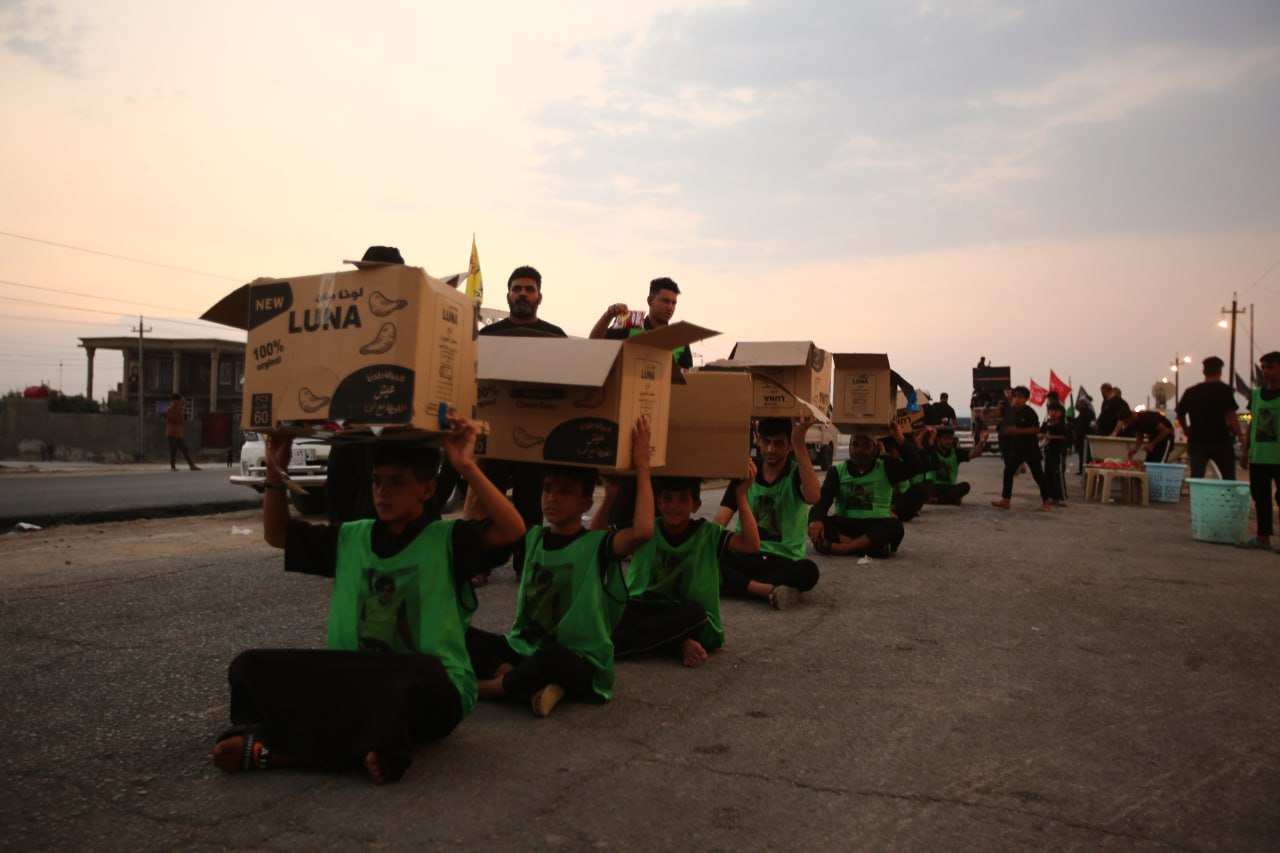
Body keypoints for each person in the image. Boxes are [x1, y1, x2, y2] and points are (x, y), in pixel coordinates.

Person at [211, 415, 525, 783]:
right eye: (377, 481)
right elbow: (277, 534)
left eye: (397, 482)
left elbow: (512, 529)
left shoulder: (448, 541)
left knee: (424, 673)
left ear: (427, 489)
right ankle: (369, 747)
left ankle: (284, 749)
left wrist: (466, 466)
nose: (382, 493)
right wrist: (274, 468)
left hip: (425, 692)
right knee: (249, 667)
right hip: (357, 682)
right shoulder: (351, 538)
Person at [466, 416, 654, 716]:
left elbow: (642, 532)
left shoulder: (597, 545)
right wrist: (476, 459)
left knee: (555, 659)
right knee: (460, 633)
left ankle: (494, 687)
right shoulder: (532, 538)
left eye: (565, 491)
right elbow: (475, 516)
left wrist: (642, 467)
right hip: (525, 647)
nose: (552, 498)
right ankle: (522, 681)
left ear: (586, 503)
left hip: (576, 658)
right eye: (548, 489)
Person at [469, 266, 569, 584]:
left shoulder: (555, 336)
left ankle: (526, 563)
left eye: (529, 289)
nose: (522, 294)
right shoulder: (488, 336)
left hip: (535, 438)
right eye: (517, 289)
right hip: (493, 435)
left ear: (539, 296)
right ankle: (479, 564)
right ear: (508, 295)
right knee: (487, 500)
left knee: (531, 504)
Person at [604, 470, 761, 666]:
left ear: (696, 505)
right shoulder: (646, 529)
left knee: (695, 612)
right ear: (658, 502)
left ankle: (613, 646)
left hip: (687, 617)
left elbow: (751, 545)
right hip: (645, 607)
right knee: (613, 605)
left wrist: (741, 496)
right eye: (667, 498)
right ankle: (678, 643)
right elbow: (602, 538)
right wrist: (611, 496)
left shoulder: (708, 534)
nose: (673, 506)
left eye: (682, 499)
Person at [326, 245, 405, 524]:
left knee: (379, 493)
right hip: (350, 419)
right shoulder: (348, 315)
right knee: (341, 485)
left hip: (391, 422)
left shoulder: (409, 315)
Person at [714, 415, 821, 610]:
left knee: (809, 571)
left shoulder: (796, 473)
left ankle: (736, 586)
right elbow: (720, 521)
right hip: (746, 556)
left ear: (789, 446)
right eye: (766, 441)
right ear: (758, 438)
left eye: (779, 443)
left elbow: (813, 496)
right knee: (708, 558)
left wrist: (800, 443)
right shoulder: (746, 472)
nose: (771, 449)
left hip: (783, 560)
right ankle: (765, 589)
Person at [808, 422, 918, 557]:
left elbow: (915, 466)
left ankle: (845, 548)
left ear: (875, 449)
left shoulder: (886, 467)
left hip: (875, 525)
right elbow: (823, 499)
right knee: (815, 520)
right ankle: (869, 549)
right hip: (845, 525)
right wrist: (816, 520)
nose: (860, 449)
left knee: (895, 526)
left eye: (866, 445)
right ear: (850, 447)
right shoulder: (837, 471)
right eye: (855, 445)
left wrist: (899, 438)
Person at [588, 277, 693, 370]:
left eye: (674, 303)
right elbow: (594, 343)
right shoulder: (631, 327)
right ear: (650, 301)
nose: (670, 307)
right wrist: (608, 315)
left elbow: (689, 376)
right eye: (665, 301)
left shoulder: (680, 340)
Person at [1175, 356, 1242, 480]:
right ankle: (1227, 493)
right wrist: (1240, 435)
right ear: (1220, 371)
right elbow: (1231, 416)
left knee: (1196, 476)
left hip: (1197, 440)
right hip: (1220, 440)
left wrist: (1186, 430)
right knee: (1228, 477)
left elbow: (1180, 413)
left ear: (1204, 371)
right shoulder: (1225, 390)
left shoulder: (1191, 391)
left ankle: (1196, 493)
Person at [1239, 352, 1280, 549]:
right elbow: (1252, 423)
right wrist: (1245, 450)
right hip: (1260, 456)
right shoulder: (1256, 395)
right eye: (1263, 367)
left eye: (1270, 367)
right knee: (1261, 498)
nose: (1265, 371)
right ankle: (1263, 537)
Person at [991, 386, 1052, 512]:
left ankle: (1046, 502)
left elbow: (1036, 429)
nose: (1017, 399)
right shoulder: (1011, 411)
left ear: (1026, 399)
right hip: (1017, 448)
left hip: (1030, 448)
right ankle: (1006, 500)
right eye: (1015, 397)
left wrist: (1017, 430)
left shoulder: (1030, 412)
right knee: (1008, 471)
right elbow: (996, 416)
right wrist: (999, 407)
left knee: (1038, 475)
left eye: (1020, 397)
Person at [921, 424, 987, 505]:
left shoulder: (955, 452)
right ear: (938, 439)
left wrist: (981, 442)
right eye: (945, 438)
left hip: (950, 487)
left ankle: (938, 500)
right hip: (934, 486)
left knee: (965, 486)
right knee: (925, 486)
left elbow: (974, 454)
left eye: (950, 438)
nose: (949, 441)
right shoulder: (931, 450)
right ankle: (951, 499)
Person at [1040, 401, 1070, 505]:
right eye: (1051, 410)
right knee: (1048, 474)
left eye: (1056, 411)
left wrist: (1051, 437)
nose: (1053, 413)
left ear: (1060, 413)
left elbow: (1065, 437)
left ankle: (1061, 497)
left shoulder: (1062, 425)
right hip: (1048, 452)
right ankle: (1051, 496)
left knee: (1058, 475)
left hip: (1058, 453)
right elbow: (1041, 433)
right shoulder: (1046, 423)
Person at [165, 393, 200, 471]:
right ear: (176, 400)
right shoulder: (171, 409)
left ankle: (191, 465)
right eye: (180, 400)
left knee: (184, 449)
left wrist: (180, 411)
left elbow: (180, 419)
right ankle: (173, 466)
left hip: (178, 433)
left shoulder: (177, 408)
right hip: (172, 433)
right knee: (173, 450)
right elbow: (177, 419)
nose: (181, 402)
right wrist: (180, 412)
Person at [1072, 391, 1097, 474]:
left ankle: (1086, 470)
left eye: (1081, 403)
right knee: (1081, 454)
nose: (1079, 404)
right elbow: (1077, 422)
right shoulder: (1082, 413)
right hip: (1080, 437)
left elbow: (1092, 425)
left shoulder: (1089, 413)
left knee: (1086, 454)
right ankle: (1081, 470)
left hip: (1085, 437)